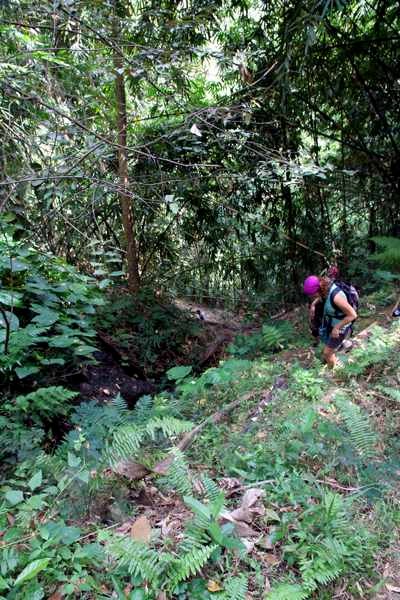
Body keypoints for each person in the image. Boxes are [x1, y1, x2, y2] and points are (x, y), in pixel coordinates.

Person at [303, 275, 357, 368]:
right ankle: (345, 345)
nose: (312, 297)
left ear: (318, 289)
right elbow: (321, 298)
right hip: (333, 322)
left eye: (312, 295)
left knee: (327, 353)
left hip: (342, 325)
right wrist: (313, 304)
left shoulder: (336, 297)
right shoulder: (325, 289)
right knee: (328, 343)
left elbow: (352, 315)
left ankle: (332, 372)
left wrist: (337, 327)